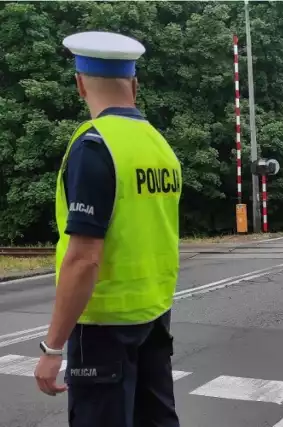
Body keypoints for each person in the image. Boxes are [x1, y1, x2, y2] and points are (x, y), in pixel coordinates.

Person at [33, 31, 182, 427]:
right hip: (154, 319)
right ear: (134, 84)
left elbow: (83, 258)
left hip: (103, 328)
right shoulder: (159, 145)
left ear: (80, 84)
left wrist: (53, 347)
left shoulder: (95, 146)